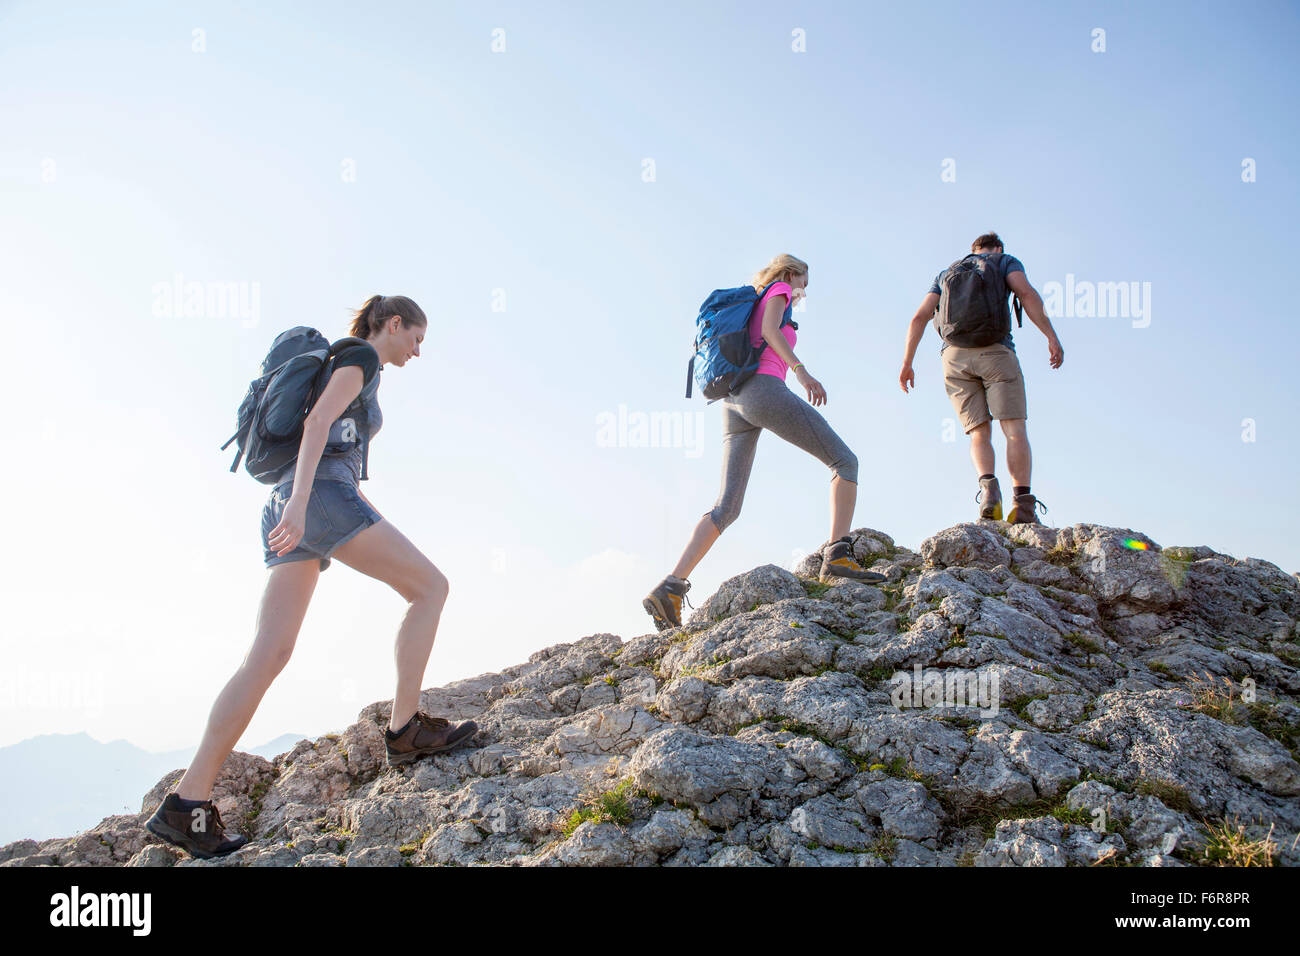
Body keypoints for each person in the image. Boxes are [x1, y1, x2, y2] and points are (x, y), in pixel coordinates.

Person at [146, 294, 477, 860]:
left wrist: (294, 505)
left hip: (285, 504)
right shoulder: (361, 357)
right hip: (315, 500)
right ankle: (405, 730)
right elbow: (320, 423)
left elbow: (326, 428)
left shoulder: (342, 360)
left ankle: (186, 804)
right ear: (392, 324)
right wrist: (304, 503)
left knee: (268, 654)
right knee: (431, 589)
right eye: (416, 339)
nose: (417, 352)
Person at [643, 254, 885, 632]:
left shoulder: (754, 299)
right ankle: (838, 554)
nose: (805, 288)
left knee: (727, 506)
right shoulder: (781, 289)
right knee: (845, 462)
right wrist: (803, 373)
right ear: (792, 273)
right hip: (763, 391)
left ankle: (670, 587)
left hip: (734, 402)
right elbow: (772, 332)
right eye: (805, 279)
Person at [899, 233, 1064, 524]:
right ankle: (1023, 507)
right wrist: (1051, 336)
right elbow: (1026, 294)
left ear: (972, 250)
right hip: (996, 352)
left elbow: (919, 317)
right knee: (1013, 430)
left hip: (954, 358)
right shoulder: (1005, 262)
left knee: (978, 432)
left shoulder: (947, 272)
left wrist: (907, 363)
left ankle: (989, 494)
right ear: (997, 248)